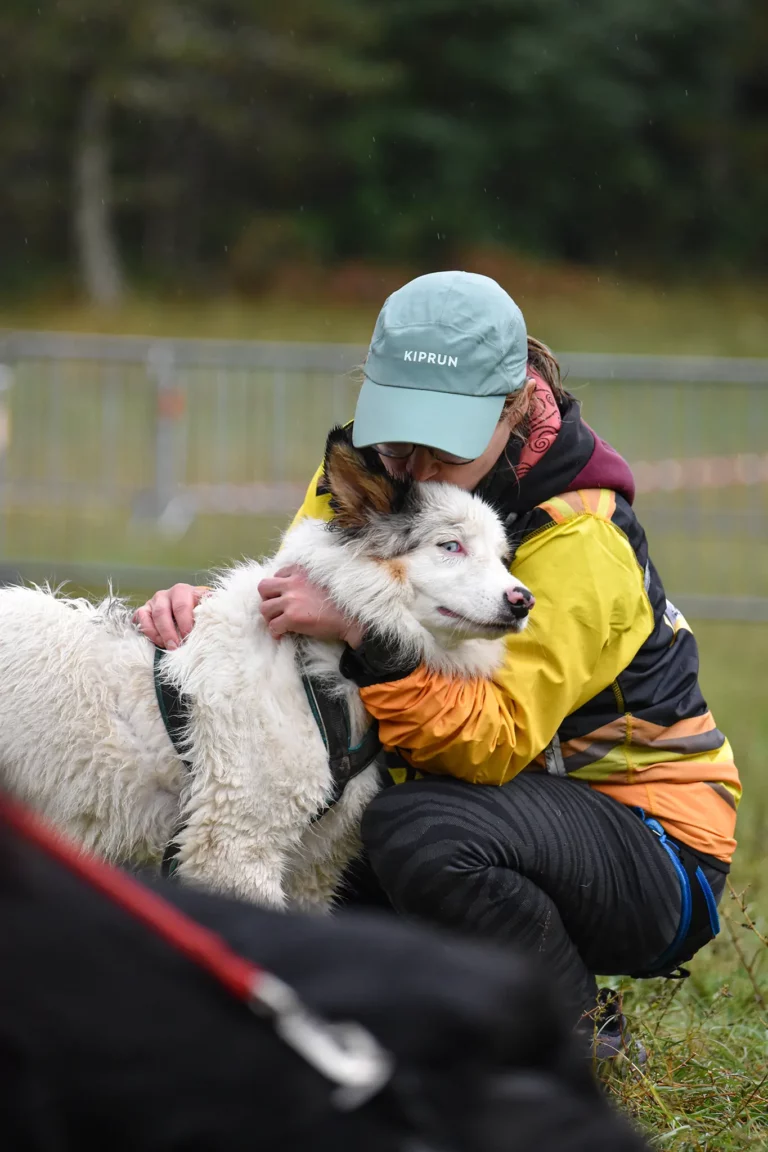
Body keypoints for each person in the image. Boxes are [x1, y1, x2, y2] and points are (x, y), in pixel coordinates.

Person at [136, 271, 741, 1057]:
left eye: (445, 442)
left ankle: (571, 1033)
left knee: (413, 829)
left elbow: (489, 743)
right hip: (462, 793)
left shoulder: (584, 533)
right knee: (282, 822)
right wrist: (206, 616)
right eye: (398, 435)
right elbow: (291, 607)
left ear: (514, 405)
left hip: (650, 842)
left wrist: (367, 637)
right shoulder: (364, 478)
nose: (415, 465)